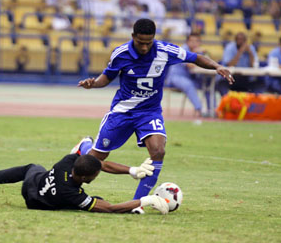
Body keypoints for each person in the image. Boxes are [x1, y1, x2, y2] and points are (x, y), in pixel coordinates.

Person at [73, 18, 233, 214]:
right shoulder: (121, 54)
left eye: (149, 42)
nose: (145, 47)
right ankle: (85, 146)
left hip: (149, 112)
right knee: (95, 161)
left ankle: (137, 204)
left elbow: (195, 57)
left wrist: (217, 66)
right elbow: (107, 77)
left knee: (158, 151)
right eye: (141, 42)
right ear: (133, 37)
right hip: (122, 112)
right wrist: (94, 84)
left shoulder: (166, 51)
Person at [0, 153, 170, 214]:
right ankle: (133, 209)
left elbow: (101, 164)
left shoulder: (69, 162)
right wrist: (146, 199)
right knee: (98, 205)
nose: (100, 173)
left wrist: (132, 170)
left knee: (31, 166)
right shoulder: (72, 194)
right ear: (87, 178)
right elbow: (111, 208)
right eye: (96, 174)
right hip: (36, 201)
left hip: (34, 181)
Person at [166, 33, 210, 116]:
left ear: (200, 42)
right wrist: (196, 53)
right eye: (191, 41)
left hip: (189, 77)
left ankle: (212, 109)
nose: (194, 43)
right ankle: (199, 109)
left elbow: (207, 62)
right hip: (175, 78)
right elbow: (190, 65)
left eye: (196, 41)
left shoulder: (198, 51)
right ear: (187, 42)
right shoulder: (183, 50)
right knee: (188, 84)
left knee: (207, 85)